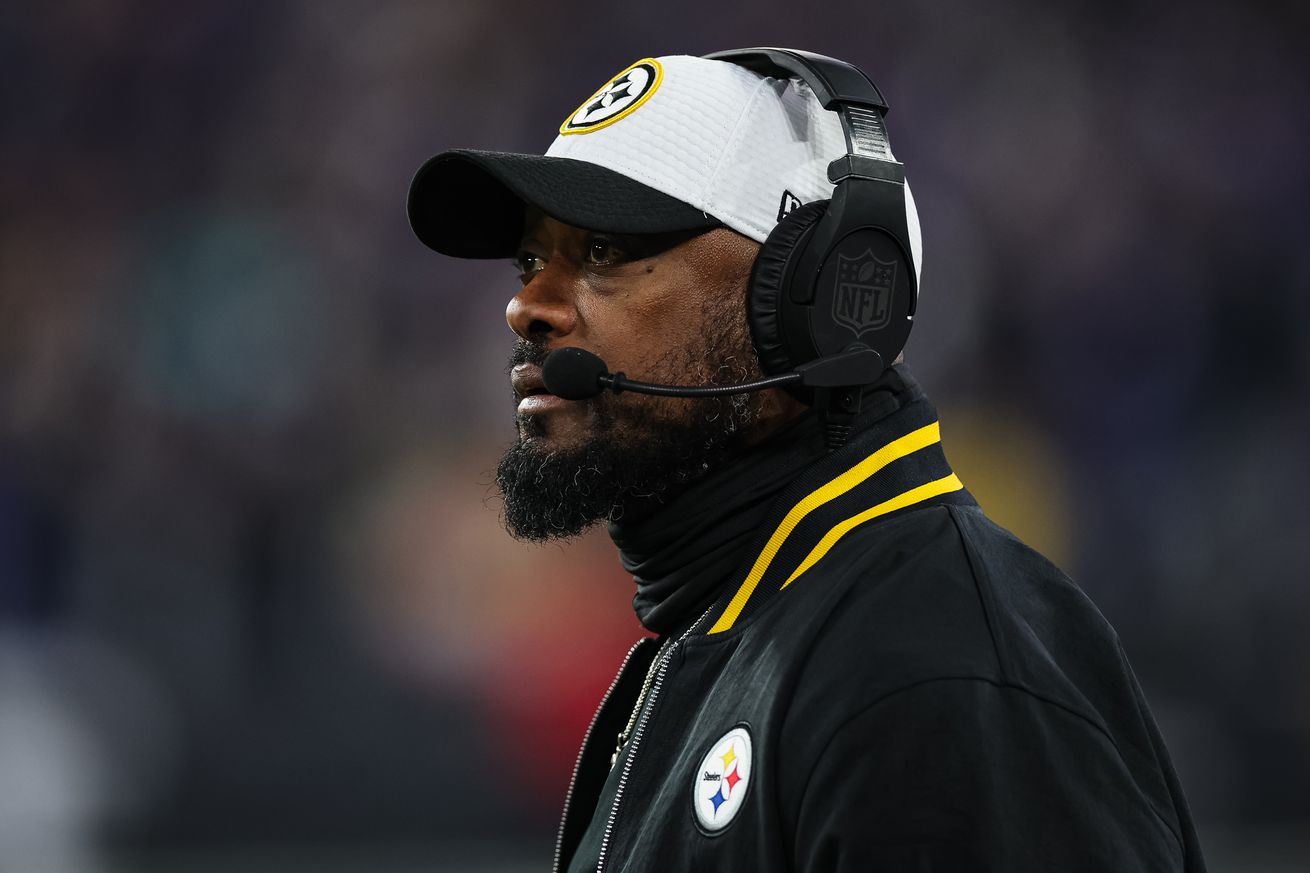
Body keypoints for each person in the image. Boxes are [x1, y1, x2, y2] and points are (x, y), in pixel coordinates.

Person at [407, 49, 1207, 872]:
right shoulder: (742, 628)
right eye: (532, 261)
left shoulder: (934, 673)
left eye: (605, 252)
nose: (525, 305)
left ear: (815, 301)